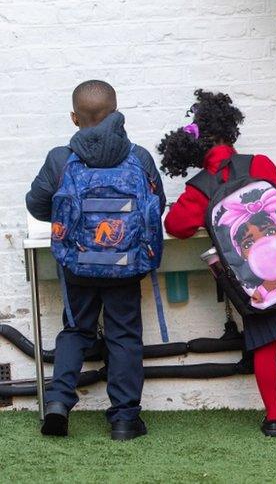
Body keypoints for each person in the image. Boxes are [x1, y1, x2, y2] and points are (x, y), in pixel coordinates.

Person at [159, 89, 276, 437]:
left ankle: (274, 417)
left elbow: (176, 226)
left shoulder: (199, 188)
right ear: (231, 130)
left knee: (264, 343)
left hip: (250, 282)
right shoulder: (259, 164)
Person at [26, 80, 166, 440]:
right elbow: (156, 207)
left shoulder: (61, 158)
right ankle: (124, 420)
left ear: (74, 118)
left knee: (76, 330)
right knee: (124, 337)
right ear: (116, 112)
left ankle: (57, 403)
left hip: (77, 265)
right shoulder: (140, 157)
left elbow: (37, 204)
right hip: (126, 264)